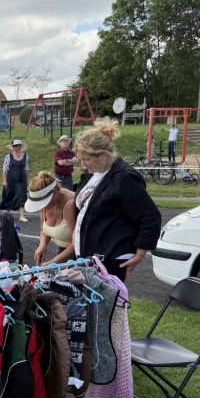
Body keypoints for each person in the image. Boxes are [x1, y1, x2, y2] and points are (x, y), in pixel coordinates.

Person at [73, 118, 161, 281]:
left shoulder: (124, 178)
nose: (83, 164)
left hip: (110, 259)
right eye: (81, 160)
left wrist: (140, 253)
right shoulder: (93, 174)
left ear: (102, 155)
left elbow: (150, 216)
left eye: (86, 159)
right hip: (88, 257)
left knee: (104, 298)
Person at [25, 172, 76, 265]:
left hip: (81, 255)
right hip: (63, 251)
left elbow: (78, 241)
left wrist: (54, 261)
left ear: (55, 192)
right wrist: (42, 245)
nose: (42, 207)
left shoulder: (70, 204)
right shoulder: (43, 204)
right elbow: (43, 228)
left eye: (44, 202)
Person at [0, 139, 29, 222]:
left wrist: (27, 182)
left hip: (22, 179)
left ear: (20, 146)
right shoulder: (8, 156)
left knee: (22, 196)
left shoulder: (25, 156)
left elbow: (26, 169)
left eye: (16, 145)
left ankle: (22, 216)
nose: (15, 147)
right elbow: (5, 169)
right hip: (11, 179)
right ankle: (7, 215)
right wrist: (4, 181)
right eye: (14, 146)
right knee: (9, 196)